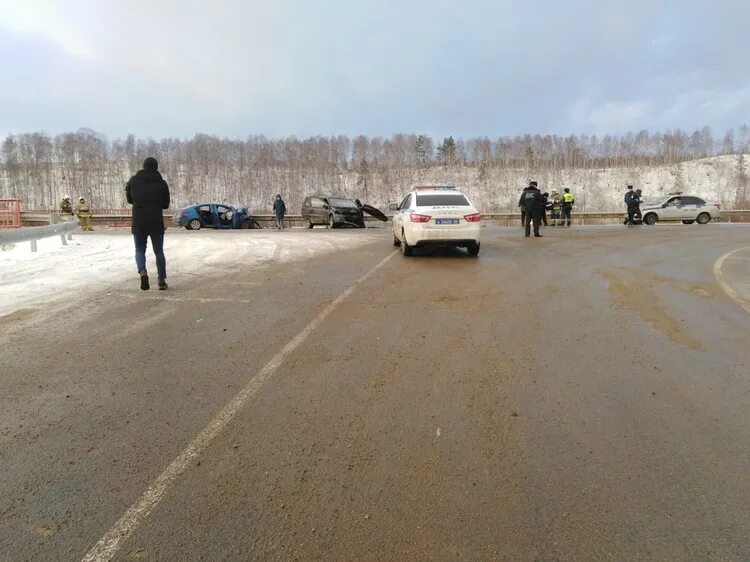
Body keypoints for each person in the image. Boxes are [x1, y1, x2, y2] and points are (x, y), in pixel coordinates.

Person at [126, 157, 170, 291]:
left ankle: (142, 272)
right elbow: (165, 205)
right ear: (156, 167)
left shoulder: (133, 181)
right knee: (159, 251)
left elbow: (129, 200)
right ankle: (161, 280)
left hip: (139, 221)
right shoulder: (162, 183)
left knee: (139, 249)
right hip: (156, 221)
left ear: (143, 166)